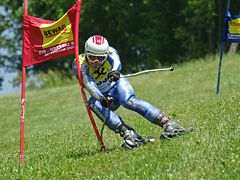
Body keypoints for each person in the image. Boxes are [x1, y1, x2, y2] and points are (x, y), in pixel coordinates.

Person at [72, 35, 192, 149]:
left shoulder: (110, 51)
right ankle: (130, 135)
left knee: (128, 101)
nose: (96, 62)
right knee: (93, 103)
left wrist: (115, 71)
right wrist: (101, 98)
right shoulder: (79, 64)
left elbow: (117, 62)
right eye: (92, 57)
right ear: (86, 53)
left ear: (105, 55)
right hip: (101, 94)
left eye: (100, 58)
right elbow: (88, 84)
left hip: (117, 85)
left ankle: (168, 124)